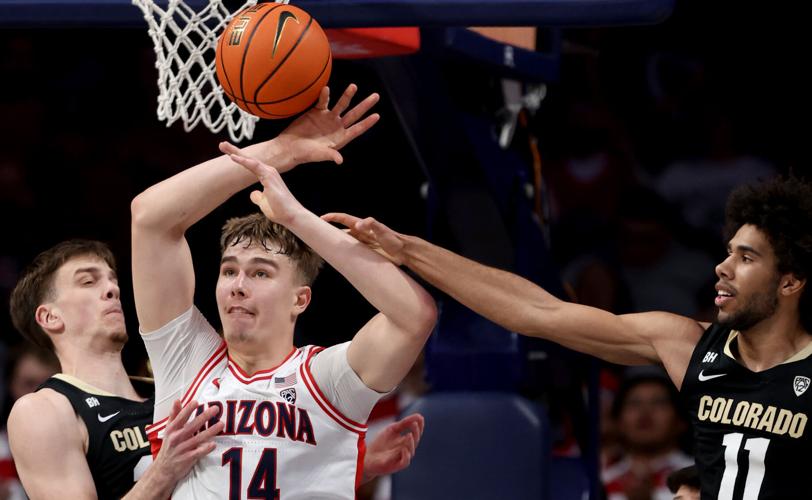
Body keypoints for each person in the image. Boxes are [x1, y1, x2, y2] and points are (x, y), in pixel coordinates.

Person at [325, 174, 812, 499]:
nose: (722, 269)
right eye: (728, 252)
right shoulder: (687, 343)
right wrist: (406, 249)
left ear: (790, 282)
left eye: (746, 259)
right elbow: (536, 312)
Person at [130, 84, 437, 498]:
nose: (238, 286)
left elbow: (414, 317)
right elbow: (150, 217)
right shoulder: (186, 360)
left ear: (300, 299)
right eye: (229, 271)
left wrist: (296, 217)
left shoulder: (326, 379)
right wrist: (281, 151)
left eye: (260, 274)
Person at [7, 239, 224, 499]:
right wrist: (163, 472)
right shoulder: (43, 410)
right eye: (88, 281)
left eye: (113, 280)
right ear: (50, 317)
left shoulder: (168, 387)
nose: (112, 289)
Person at [602, 372, 692, 500]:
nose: (645, 412)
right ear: (618, 422)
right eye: (634, 403)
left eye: (659, 402)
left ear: (681, 421)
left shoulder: (702, 479)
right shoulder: (600, 480)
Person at [0, 345, 59, 500]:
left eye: (48, 384)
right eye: (29, 383)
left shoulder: (91, 446)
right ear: (11, 386)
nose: (37, 394)